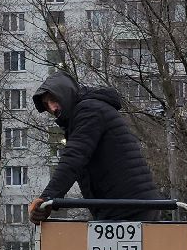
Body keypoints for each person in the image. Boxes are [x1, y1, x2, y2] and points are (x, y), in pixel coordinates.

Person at [26, 71, 164, 222]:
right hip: (126, 204)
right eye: (46, 105)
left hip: (127, 207)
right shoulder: (89, 110)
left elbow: (73, 159)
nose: (52, 108)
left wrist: (47, 198)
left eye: (53, 99)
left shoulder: (88, 111)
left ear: (65, 93)